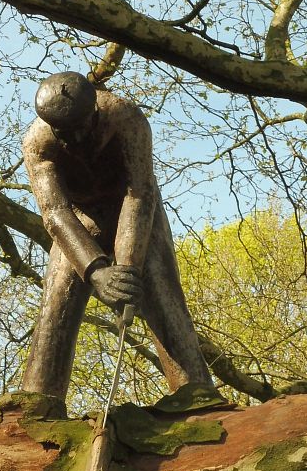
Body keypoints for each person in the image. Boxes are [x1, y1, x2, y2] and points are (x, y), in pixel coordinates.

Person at [20, 71, 216, 405]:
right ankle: (38, 402)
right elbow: (55, 212)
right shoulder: (38, 143)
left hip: (136, 210)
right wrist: (96, 271)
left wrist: (126, 268)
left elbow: (139, 192)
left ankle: (194, 393)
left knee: (159, 287)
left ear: (94, 111)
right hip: (78, 220)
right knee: (57, 300)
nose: (75, 140)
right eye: (65, 134)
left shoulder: (125, 117)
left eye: (81, 129)